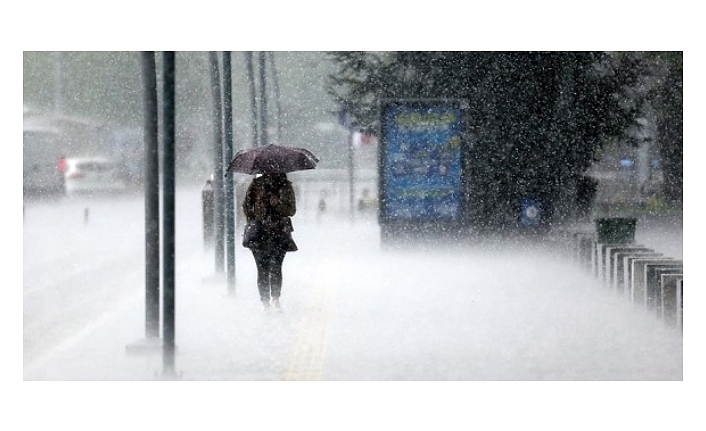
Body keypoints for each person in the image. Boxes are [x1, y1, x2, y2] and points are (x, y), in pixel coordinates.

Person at [242, 173, 297, 311]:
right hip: (259, 234)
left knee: (276, 267)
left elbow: (291, 210)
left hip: (279, 232)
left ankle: (275, 299)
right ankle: (265, 301)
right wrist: (254, 221)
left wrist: (277, 204)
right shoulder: (256, 184)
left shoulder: (286, 186)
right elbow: (246, 205)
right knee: (262, 268)